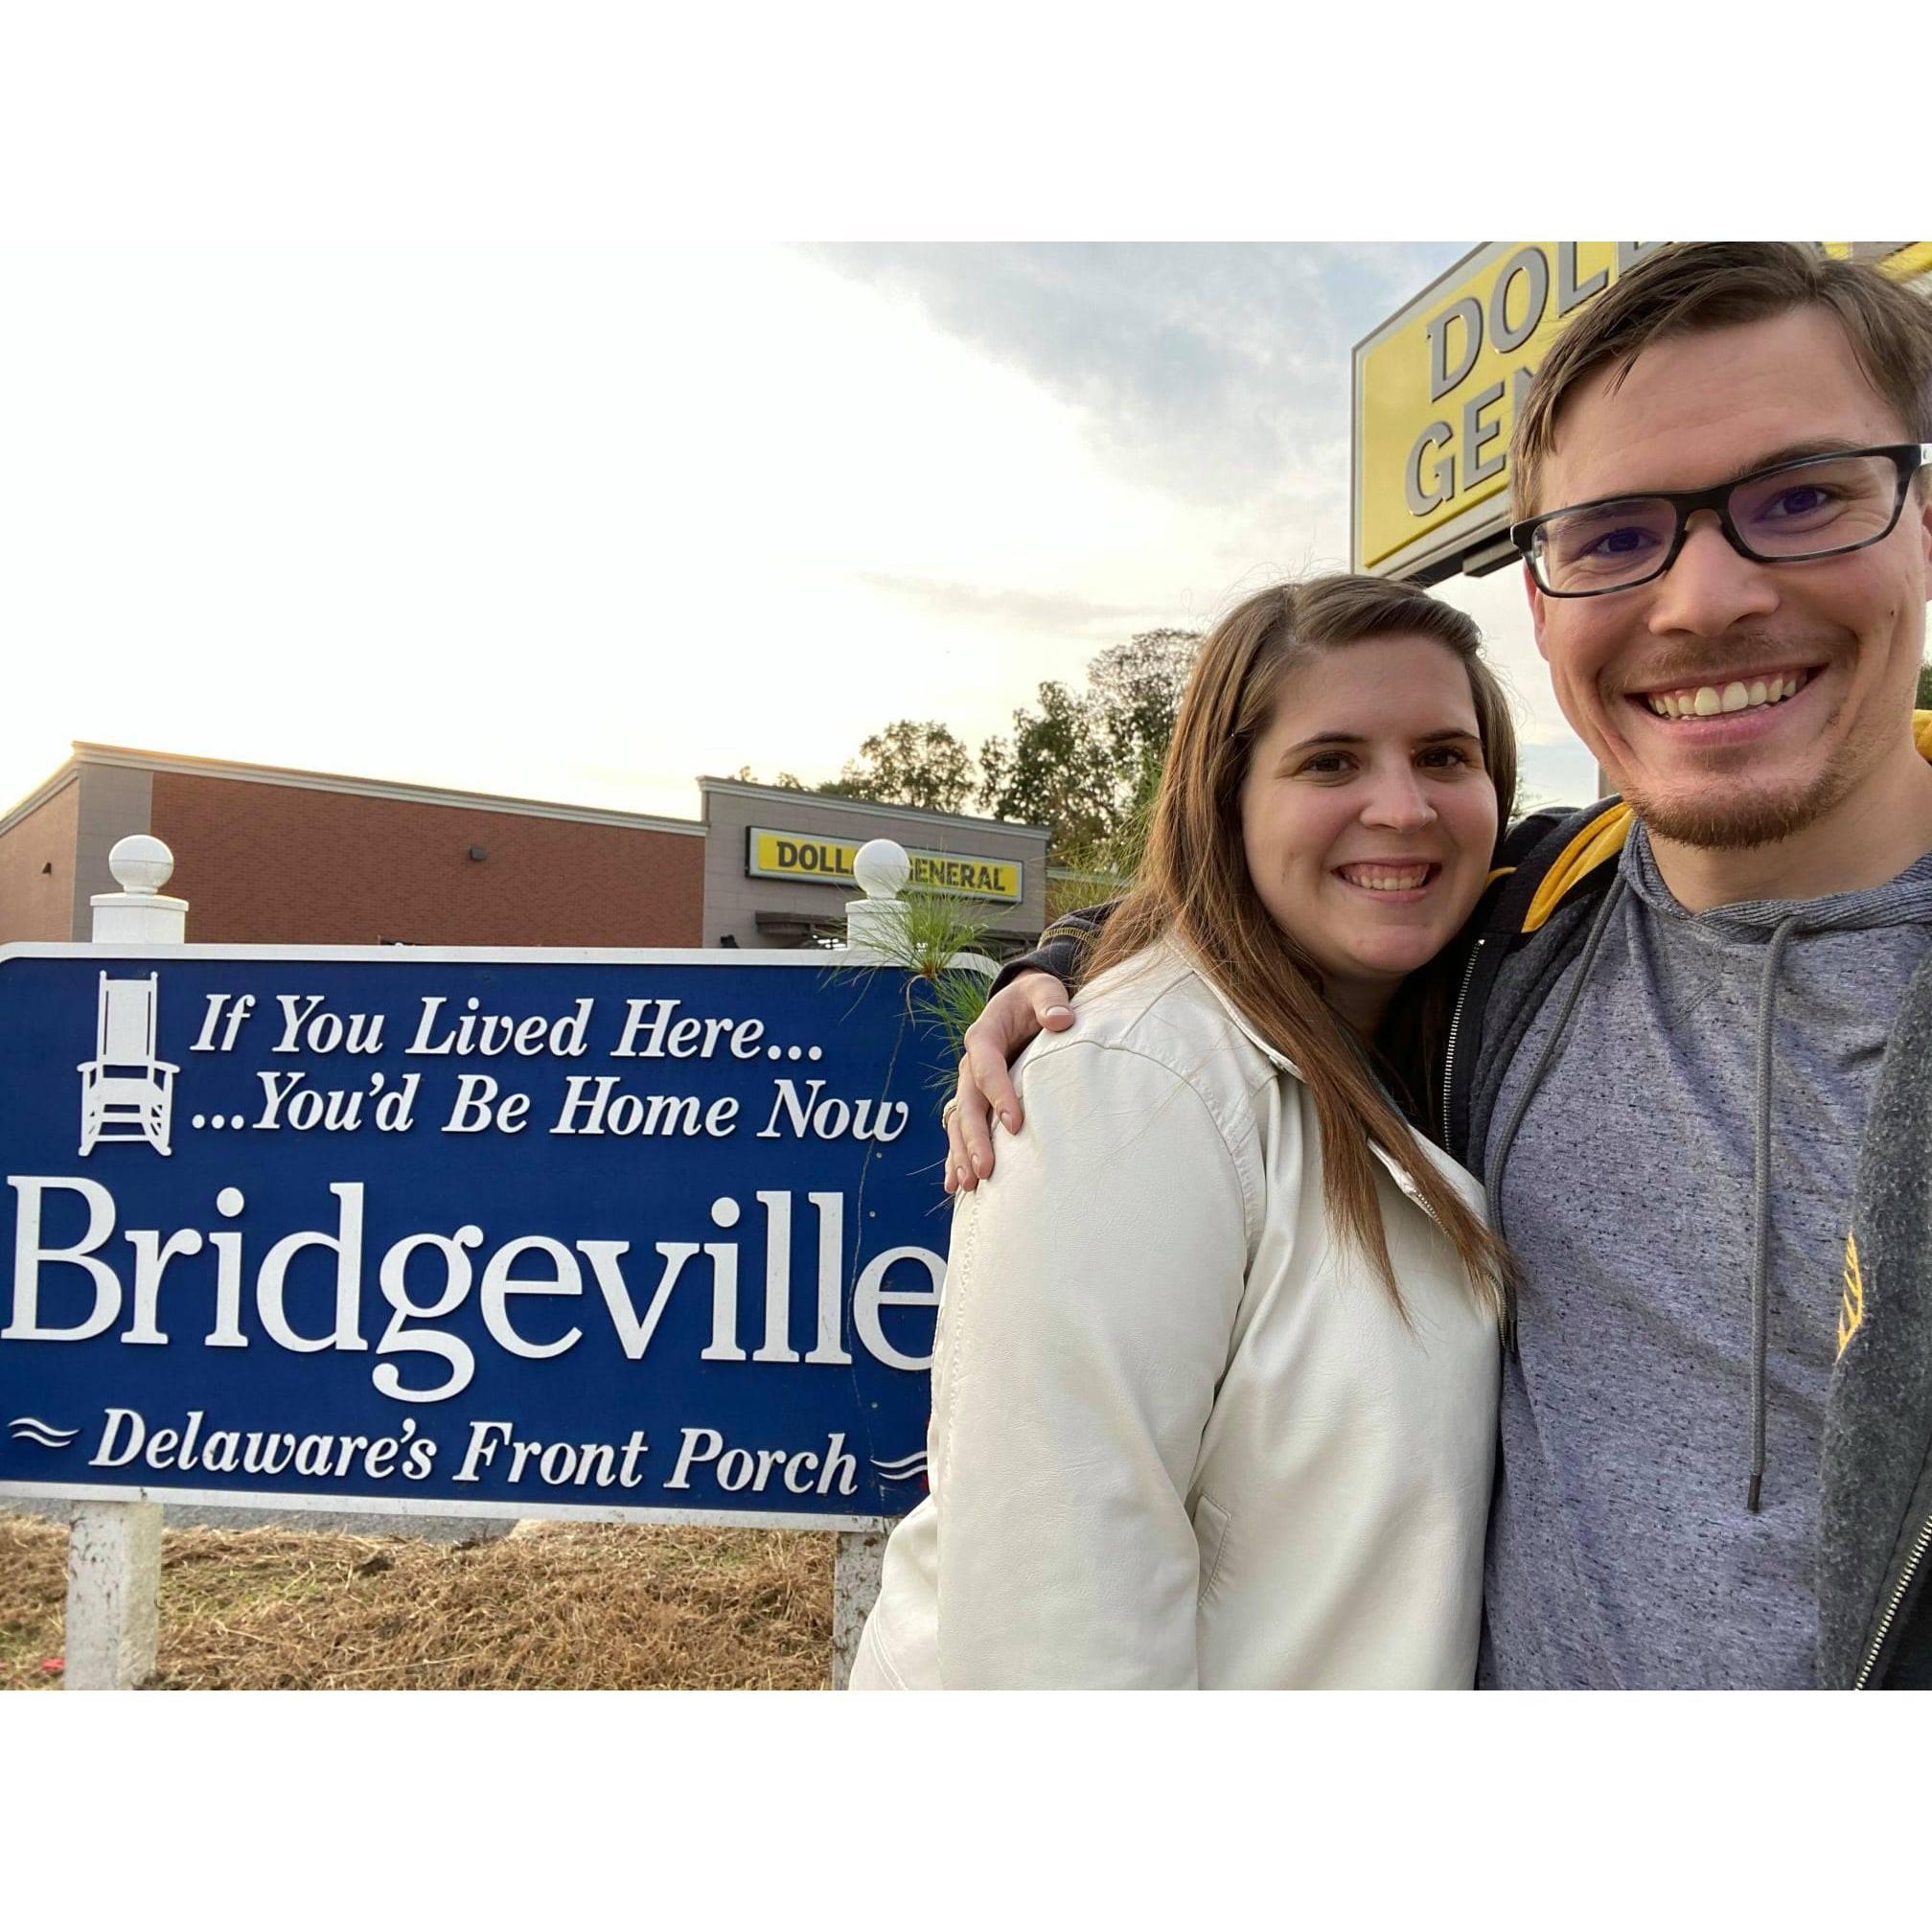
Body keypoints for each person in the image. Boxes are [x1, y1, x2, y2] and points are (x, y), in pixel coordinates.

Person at [946, 242, 1932, 1690]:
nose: (1705, 597)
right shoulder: (1521, 935)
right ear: (1542, 604)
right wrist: (1069, 977)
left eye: (1803, 500)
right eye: (1613, 535)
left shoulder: (1482, 940)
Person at [851, 573, 1520, 1688]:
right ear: (1227, 798)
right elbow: (1050, 1630)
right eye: (1331, 761)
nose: (1404, 807)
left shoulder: (1435, 1021)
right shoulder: (1129, 1088)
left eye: (1445, 757)